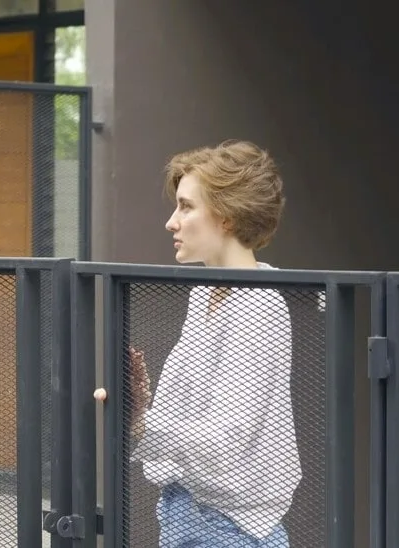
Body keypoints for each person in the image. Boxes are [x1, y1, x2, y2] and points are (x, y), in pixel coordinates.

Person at [95, 140, 299, 547]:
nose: (171, 222)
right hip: (184, 511)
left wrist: (140, 422)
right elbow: (200, 413)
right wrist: (144, 403)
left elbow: (227, 438)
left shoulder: (259, 305)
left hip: (231, 529)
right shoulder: (205, 290)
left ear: (226, 217)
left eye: (187, 207)